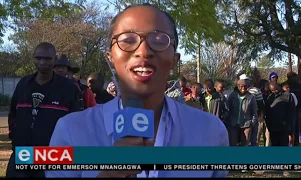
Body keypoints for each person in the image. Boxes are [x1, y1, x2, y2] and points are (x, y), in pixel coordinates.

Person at [46, 3, 228, 178]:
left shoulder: (211, 131)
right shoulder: (70, 130)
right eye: (127, 40)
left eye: (158, 40)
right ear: (110, 58)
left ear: (174, 60)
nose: (143, 51)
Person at [6, 42, 81, 178]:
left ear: (54, 59)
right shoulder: (24, 84)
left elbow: (75, 122)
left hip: (52, 155)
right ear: (34, 58)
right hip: (22, 153)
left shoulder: (68, 88)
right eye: (38, 58)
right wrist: (15, 136)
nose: (42, 62)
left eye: (47, 59)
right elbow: (13, 113)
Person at [226, 79, 257, 146]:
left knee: (245, 144)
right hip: (233, 124)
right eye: (241, 86)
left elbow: (254, 112)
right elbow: (228, 109)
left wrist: (252, 123)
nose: (243, 88)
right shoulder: (232, 96)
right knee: (233, 144)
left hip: (246, 125)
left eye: (245, 86)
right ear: (238, 86)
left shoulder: (251, 97)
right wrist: (229, 121)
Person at [266, 82, 295, 146]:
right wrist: (269, 126)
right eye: (272, 90)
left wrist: (289, 127)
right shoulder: (270, 98)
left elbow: (291, 112)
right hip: (273, 127)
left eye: (276, 89)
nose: (275, 91)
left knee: (283, 145)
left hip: (284, 127)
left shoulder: (287, 96)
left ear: (279, 87)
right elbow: (268, 113)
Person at [239, 74, 264, 146]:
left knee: (253, 139)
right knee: (242, 140)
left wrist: (259, 117)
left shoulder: (256, 90)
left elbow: (260, 104)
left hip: (253, 118)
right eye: (243, 80)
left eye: (247, 80)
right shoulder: (237, 91)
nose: (245, 82)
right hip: (241, 119)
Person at [287, 72, 301, 146]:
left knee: (296, 127)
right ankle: (295, 142)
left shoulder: (298, 87)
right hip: (296, 110)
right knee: (296, 128)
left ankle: (295, 142)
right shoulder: (298, 87)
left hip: (296, 110)